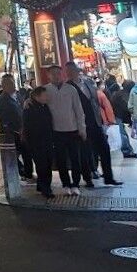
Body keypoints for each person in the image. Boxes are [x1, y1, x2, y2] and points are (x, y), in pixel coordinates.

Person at [66, 61, 121, 187]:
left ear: (77, 71)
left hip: (95, 121)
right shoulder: (68, 87)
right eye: (67, 71)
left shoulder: (87, 83)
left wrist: (101, 118)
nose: (69, 73)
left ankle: (108, 177)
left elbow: (95, 100)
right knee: (85, 152)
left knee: (104, 148)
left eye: (71, 70)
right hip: (81, 123)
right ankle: (88, 178)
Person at [44, 65, 86, 196]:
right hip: (56, 130)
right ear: (48, 75)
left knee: (75, 159)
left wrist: (82, 128)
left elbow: (78, 109)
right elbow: (34, 99)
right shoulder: (46, 90)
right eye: (53, 73)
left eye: (58, 73)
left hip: (72, 129)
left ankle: (76, 184)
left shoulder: (71, 89)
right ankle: (66, 184)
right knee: (61, 160)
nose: (56, 76)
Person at [0, 74, 32, 179]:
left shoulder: (18, 95)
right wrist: (10, 130)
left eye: (12, 83)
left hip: (22, 129)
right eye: (8, 84)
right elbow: (1, 117)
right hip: (12, 132)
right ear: (3, 86)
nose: (12, 85)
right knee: (13, 154)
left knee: (26, 152)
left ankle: (28, 173)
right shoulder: (2, 100)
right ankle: (22, 171)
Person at [22, 86, 55, 199]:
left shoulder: (44, 106)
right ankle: (46, 188)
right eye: (44, 95)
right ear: (37, 96)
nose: (47, 97)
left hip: (47, 140)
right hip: (36, 142)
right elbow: (27, 127)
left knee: (47, 164)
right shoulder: (29, 108)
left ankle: (42, 186)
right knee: (42, 166)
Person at [107, 76, 136, 158]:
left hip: (117, 115)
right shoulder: (123, 95)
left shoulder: (120, 93)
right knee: (122, 134)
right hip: (117, 116)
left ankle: (127, 150)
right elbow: (127, 107)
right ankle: (127, 151)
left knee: (122, 133)